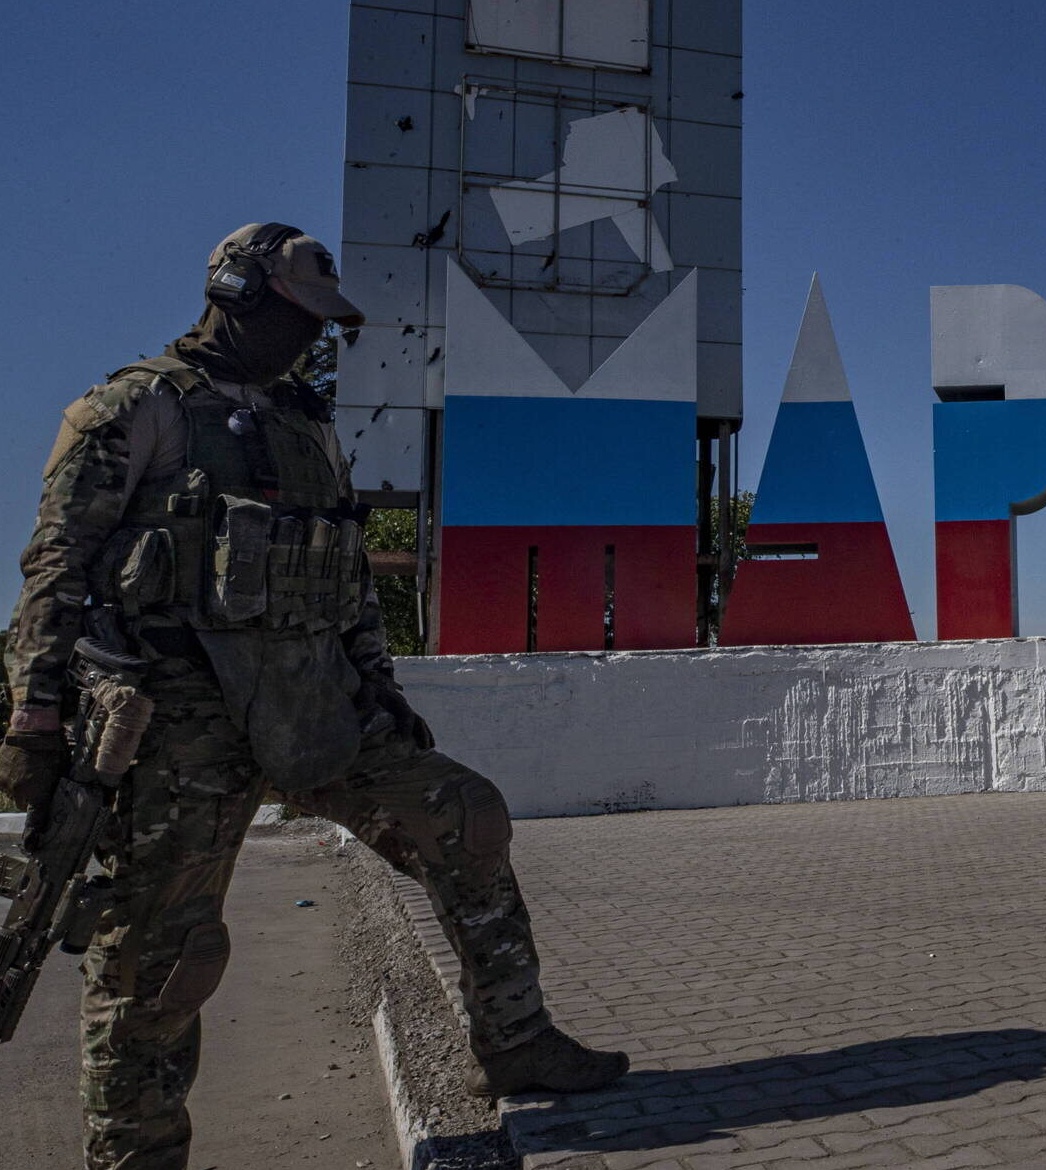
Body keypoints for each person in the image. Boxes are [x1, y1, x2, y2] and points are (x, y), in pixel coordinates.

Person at [0, 223, 628, 1170]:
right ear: (236, 296)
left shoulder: (308, 422)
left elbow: (341, 570)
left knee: (465, 817)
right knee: (161, 959)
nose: (313, 341)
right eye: (299, 319)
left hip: (315, 704)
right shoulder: (134, 408)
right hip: (179, 719)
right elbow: (56, 565)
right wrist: (35, 714)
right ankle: (133, 1154)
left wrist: (378, 683)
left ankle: (515, 1040)